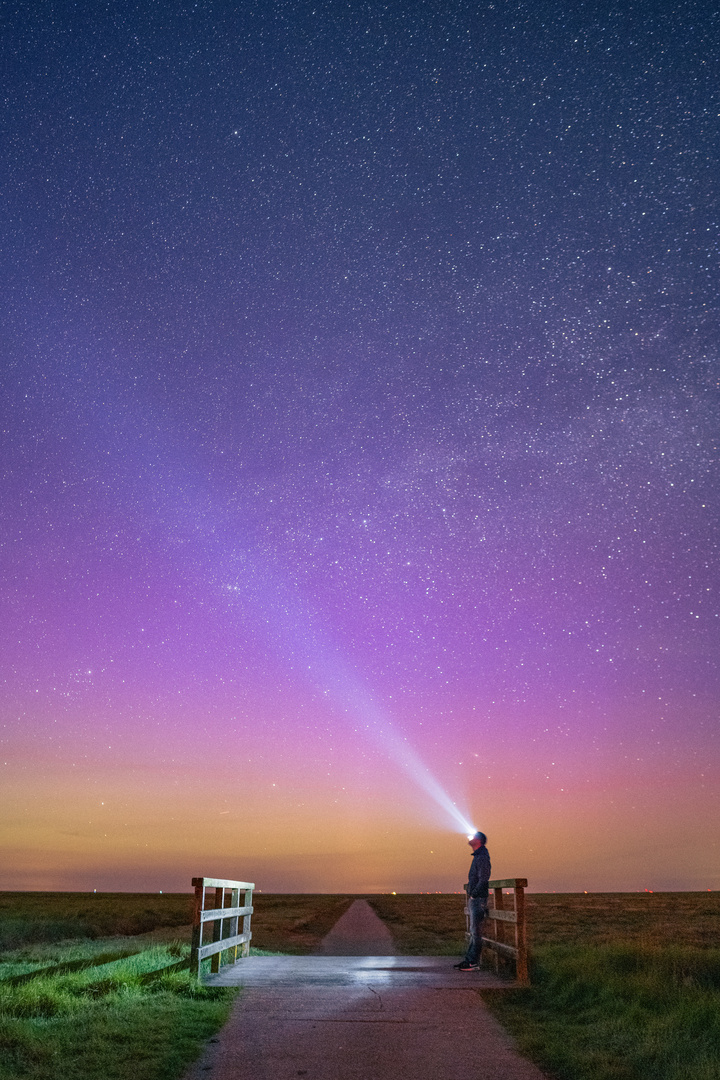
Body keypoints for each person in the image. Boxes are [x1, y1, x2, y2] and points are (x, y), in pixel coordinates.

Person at [455, 831, 491, 971]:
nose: (470, 838)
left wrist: (474, 895)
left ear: (479, 840)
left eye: (473, 836)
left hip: (478, 899)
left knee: (476, 932)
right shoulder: (478, 856)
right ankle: (469, 960)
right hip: (476, 898)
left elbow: (484, 878)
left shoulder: (482, 857)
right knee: (473, 931)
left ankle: (473, 963)